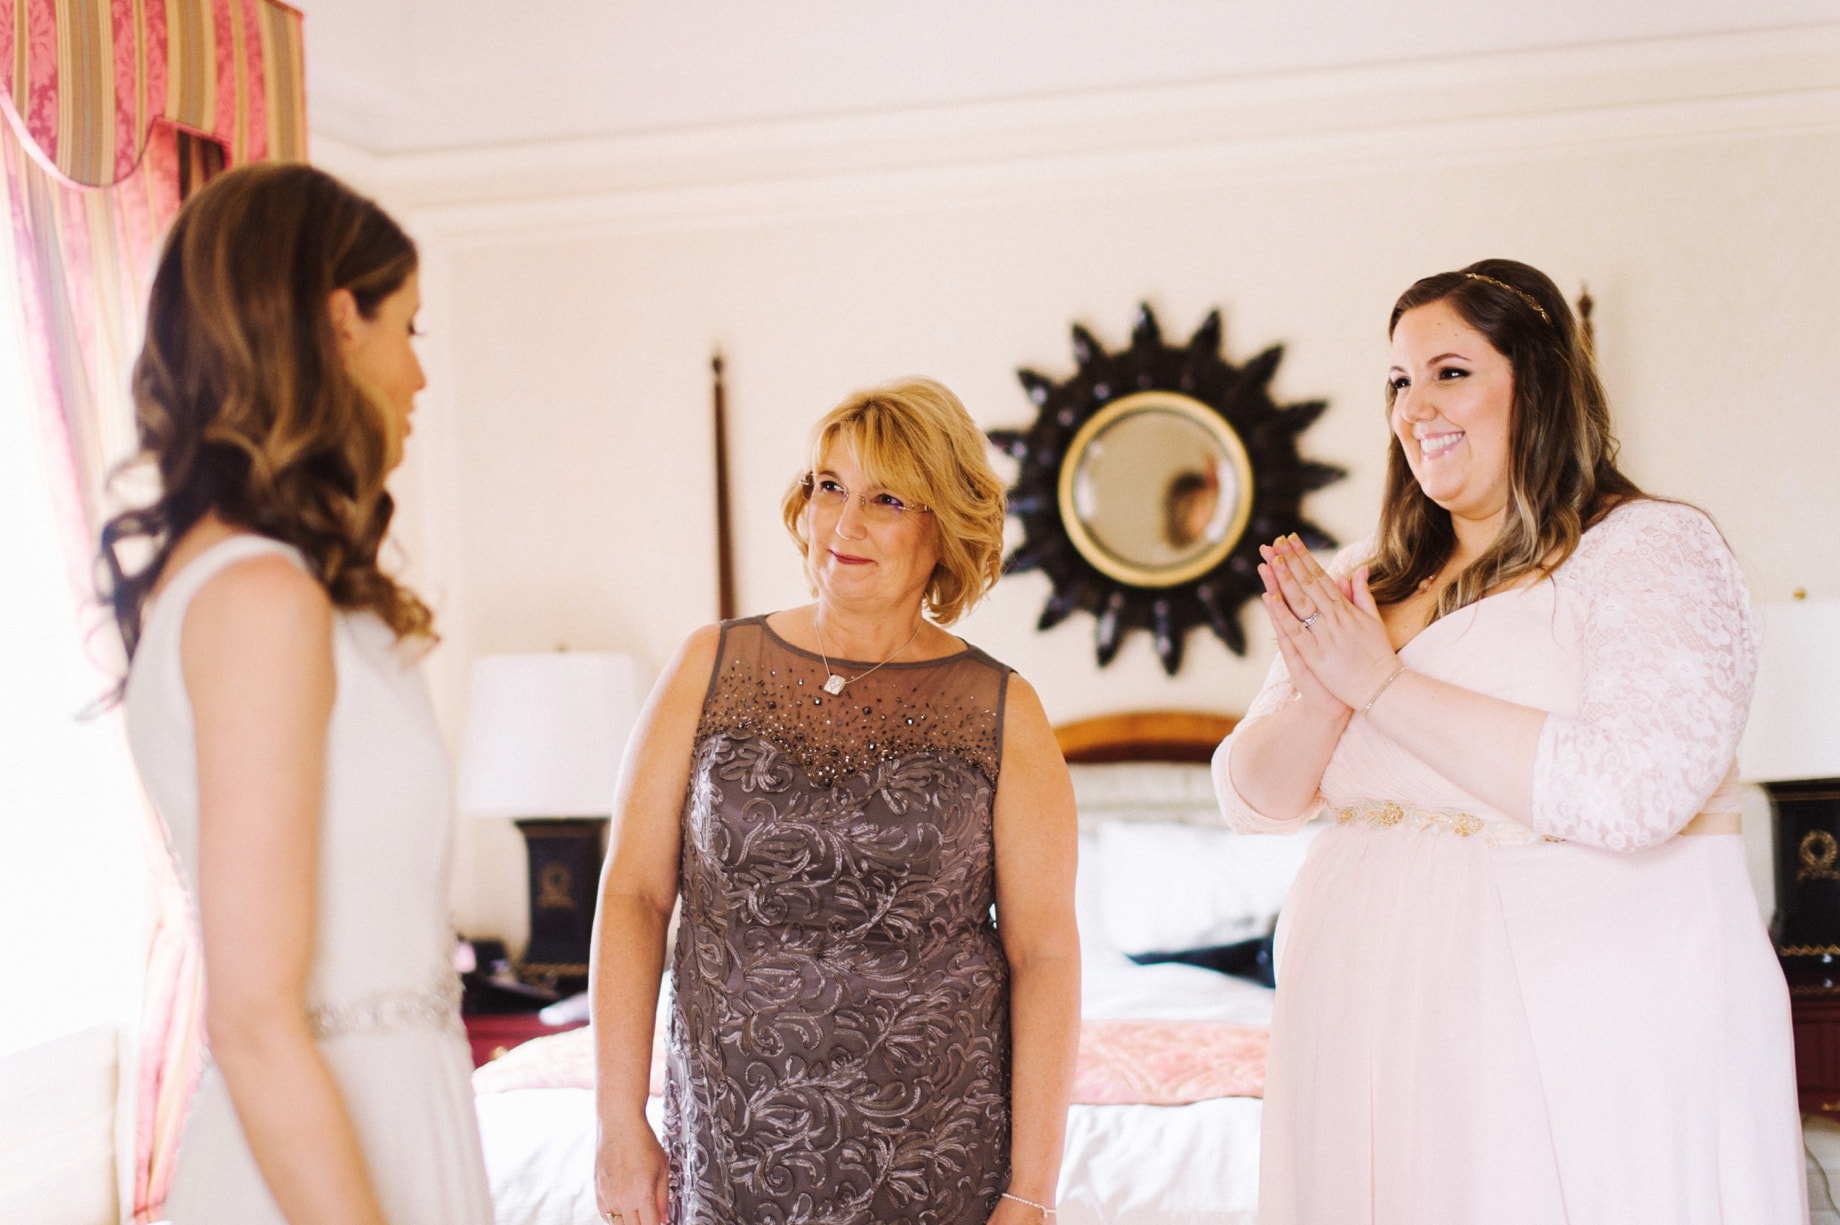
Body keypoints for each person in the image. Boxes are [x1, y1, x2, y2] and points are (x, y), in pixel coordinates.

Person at [1212, 258, 1804, 1223]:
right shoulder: (1371, 575)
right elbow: (1251, 800)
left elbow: (1636, 791)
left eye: (1450, 371)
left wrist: (1382, 685)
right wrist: (1324, 696)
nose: (1414, 407)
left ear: (1540, 381)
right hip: (1359, 1016)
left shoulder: (1649, 548)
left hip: (1576, 1015)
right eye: (1399, 381)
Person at [590, 377, 1081, 1225]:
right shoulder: (707, 665)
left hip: (936, 1152)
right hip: (730, 1140)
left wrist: (1030, 1191)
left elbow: (1044, 957)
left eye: (886, 498)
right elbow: (633, 895)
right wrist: (616, 1120)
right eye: (829, 487)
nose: (844, 524)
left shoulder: (1006, 711)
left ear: (944, 525)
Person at [101, 163, 492, 1224]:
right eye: (409, 329)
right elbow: (256, 1017)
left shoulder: (281, 585)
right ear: (338, 324)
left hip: (396, 1126)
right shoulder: (260, 599)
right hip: (322, 1167)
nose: (419, 379)